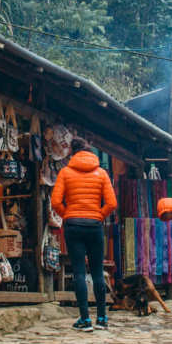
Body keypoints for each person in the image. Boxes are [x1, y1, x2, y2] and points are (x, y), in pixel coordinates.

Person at [51, 137, 117, 332]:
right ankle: (102, 319)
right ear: (90, 152)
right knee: (97, 271)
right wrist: (98, 216)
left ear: (72, 152)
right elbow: (112, 204)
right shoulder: (102, 173)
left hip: (73, 226)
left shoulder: (65, 172)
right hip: (95, 225)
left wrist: (69, 216)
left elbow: (55, 202)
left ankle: (85, 320)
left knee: (79, 271)